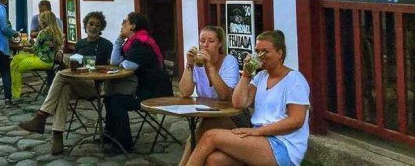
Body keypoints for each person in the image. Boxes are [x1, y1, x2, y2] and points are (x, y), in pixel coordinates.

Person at [187, 30, 310, 166]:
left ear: (279, 54)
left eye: (265, 52)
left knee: (211, 137)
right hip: (260, 138)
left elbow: (297, 120)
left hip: (282, 144)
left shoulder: (294, 79)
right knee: (215, 159)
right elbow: (239, 103)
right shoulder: (261, 76)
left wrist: (257, 132)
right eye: (257, 51)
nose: (260, 56)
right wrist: (246, 74)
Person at [18, 11, 113, 154]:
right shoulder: (80, 44)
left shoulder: (106, 45)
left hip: (94, 86)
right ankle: (57, 134)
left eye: (97, 25)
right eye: (90, 24)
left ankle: (42, 117)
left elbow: (111, 67)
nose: (93, 27)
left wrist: (99, 70)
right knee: (64, 89)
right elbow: (74, 65)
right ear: (86, 26)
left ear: (101, 28)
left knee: (61, 76)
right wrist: (65, 62)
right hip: (77, 83)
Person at [105, 12, 172, 152]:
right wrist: (118, 40)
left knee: (117, 101)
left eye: (125, 21)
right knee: (109, 96)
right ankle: (110, 135)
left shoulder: (141, 42)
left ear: (133, 26)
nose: (122, 24)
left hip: (155, 92)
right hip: (144, 87)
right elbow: (114, 61)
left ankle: (124, 143)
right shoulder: (132, 42)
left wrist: (123, 63)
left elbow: (129, 65)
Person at [177, 25, 242, 165]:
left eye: (211, 41)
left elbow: (225, 95)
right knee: (200, 133)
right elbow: (185, 92)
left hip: (233, 115)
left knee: (197, 135)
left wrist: (211, 67)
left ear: (219, 43)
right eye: (202, 41)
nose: (205, 45)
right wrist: (189, 64)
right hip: (208, 115)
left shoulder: (229, 61)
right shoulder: (197, 63)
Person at [10, 11, 63, 99]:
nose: (39, 23)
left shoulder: (43, 32)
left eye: (40, 21)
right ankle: (15, 91)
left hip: (42, 60)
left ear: (44, 21)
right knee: (16, 58)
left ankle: (16, 94)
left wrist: (25, 48)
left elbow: (34, 49)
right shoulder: (57, 31)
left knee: (17, 66)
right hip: (51, 60)